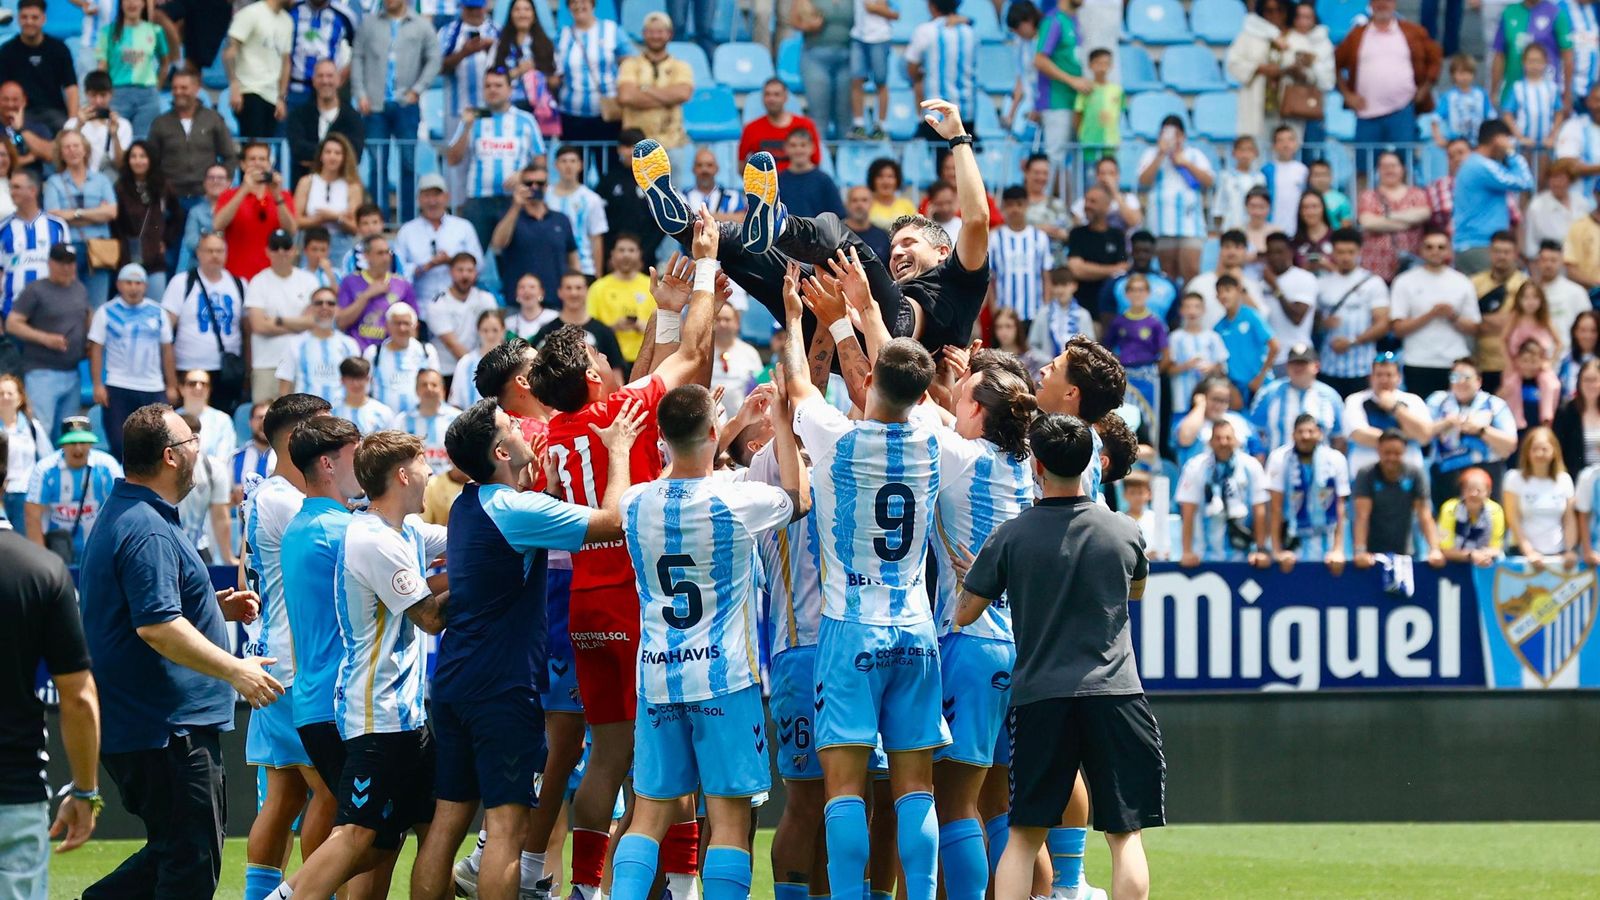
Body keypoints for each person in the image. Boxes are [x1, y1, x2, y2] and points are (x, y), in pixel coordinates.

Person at [529, 209, 719, 900]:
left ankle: (586, 888)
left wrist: (663, 316)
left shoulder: (557, 435)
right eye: (598, 357)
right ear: (588, 375)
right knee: (670, 748)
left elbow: (651, 367)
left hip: (583, 601)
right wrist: (702, 267)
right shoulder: (617, 413)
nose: (609, 360)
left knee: (606, 752)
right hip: (639, 597)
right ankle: (679, 884)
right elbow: (691, 359)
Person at [407, 397, 646, 900]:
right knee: (508, 828)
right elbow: (614, 520)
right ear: (500, 450)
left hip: (453, 681)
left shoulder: (468, 503)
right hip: (502, 688)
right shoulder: (517, 509)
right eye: (509, 426)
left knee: (447, 822)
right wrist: (619, 451)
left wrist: (544, 487)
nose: (520, 427)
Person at [770, 258, 949, 900]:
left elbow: (796, 386)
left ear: (867, 380)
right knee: (914, 788)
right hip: (916, 628)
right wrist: (864, 315)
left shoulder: (837, 439)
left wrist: (799, 318)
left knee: (843, 791)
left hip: (850, 632)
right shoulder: (934, 440)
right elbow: (907, 380)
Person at [608, 381, 806, 900]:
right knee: (729, 819)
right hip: (725, 679)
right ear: (713, 432)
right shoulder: (739, 498)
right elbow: (798, 498)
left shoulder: (634, 503)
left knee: (649, 814)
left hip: (657, 676)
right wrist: (780, 422)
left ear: (659, 437)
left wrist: (619, 452)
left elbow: (654, 483)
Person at [78, 404, 279, 900]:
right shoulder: (145, 527)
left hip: (161, 728)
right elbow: (158, 628)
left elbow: (152, 612)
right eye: (192, 442)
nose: (200, 451)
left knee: (177, 853)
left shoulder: (138, 514)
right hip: (168, 731)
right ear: (170, 456)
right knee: (189, 864)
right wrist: (236, 670)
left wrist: (210, 607)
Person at [633, 96, 990, 358]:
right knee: (761, 261)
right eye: (895, 245)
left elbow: (977, 219)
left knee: (840, 234)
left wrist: (958, 138)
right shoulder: (895, 287)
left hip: (890, 334)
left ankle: (781, 224)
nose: (896, 252)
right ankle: (686, 224)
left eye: (909, 243)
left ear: (944, 251)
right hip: (844, 340)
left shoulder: (961, 280)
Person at [968, 410, 1158, 900]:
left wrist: (982, 577)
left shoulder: (1011, 535)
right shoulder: (1124, 530)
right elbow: (1135, 591)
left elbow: (966, 612)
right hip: (1115, 693)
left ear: (1036, 466)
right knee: (1125, 836)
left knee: (1024, 837)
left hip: (1040, 698)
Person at [262, 430, 446, 900]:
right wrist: (487, 573)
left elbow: (453, 544)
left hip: (376, 708)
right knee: (353, 832)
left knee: (403, 832)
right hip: (364, 710)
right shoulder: (357, 532)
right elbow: (427, 614)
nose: (434, 475)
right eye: (426, 464)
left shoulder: (363, 526)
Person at [0, 424, 101, 898]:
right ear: (6, 480)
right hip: (13, 793)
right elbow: (78, 696)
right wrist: (84, 790)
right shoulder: (41, 571)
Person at [273, 414, 369, 899]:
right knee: (359, 834)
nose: (366, 462)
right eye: (358, 453)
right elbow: (405, 594)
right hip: (341, 705)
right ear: (329, 464)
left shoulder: (306, 525)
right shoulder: (341, 531)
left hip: (320, 701)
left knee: (372, 831)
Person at [350, 0, 440, 221]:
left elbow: (434, 59)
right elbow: (357, 58)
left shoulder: (420, 25)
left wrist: (418, 89)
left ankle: (407, 217)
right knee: (376, 162)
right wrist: (360, 93)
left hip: (406, 105)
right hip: (375, 106)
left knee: (408, 163)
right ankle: (378, 219)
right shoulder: (369, 24)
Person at [1332, 0, 1443, 171]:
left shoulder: (1413, 32)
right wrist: (1347, 95)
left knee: (1405, 165)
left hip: (1403, 110)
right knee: (1364, 167)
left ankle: (1408, 199)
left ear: (1394, 3)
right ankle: (1363, 198)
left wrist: (1425, 88)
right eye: (1377, 1)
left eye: (1387, 0)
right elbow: (1335, 63)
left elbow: (1435, 57)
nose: (1382, 4)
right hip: (1366, 113)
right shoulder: (1357, 35)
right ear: (1370, 4)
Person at [448, 67, 545, 250]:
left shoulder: (526, 120)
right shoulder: (473, 118)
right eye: (488, 86)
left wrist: (523, 175)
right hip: (478, 200)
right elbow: (453, 159)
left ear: (509, 89)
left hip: (514, 200)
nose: (492, 90)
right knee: (471, 258)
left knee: (515, 260)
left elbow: (540, 161)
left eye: (498, 85)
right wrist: (467, 127)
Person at [89, 264, 176, 457]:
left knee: (158, 444)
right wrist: (97, 384)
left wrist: (171, 385)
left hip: (152, 386)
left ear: (145, 286)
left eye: (138, 283)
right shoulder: (106, 312)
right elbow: (95, 348)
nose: (133, 287)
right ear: (119, 284)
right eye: (128, 282)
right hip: (118, 385)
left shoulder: (158, 312)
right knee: (120, 444)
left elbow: (167, 349)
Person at [1389, 228, 1481, 399]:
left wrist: (1452, 316)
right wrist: (1430, 315)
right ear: (1421, 250)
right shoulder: (1404, 281)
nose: (1435, 252)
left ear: (1449, 250)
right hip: (1417, 361)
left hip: (1454, 361)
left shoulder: (1462, 282)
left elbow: (1475, 327)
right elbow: (1398, 328)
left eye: (1441, 247)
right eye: (1429, 247)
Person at [7, 244, 89, 437]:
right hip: (41, 372)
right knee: (40, 428)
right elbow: (12, 323)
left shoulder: (79, 289)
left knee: (68, 432)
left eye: (70, 263)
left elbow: (86, 315)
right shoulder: (35, 290)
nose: (66, 268)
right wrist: (45, 338)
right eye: (61, 263)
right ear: (50, 263)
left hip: (72, 372)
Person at [162, 232, 247, 412]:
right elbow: (165, 334)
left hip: (226, 371)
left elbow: (246, 332)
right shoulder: (181, 282)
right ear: (199, 253)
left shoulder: (239, 284)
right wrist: (170, 380)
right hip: (188, 368)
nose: (214, 255)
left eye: (219, 251)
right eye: (209, 251)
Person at [23, 413, 120, 560]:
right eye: (72, 442)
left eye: (83, 442)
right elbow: (32, 516)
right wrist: (43, 561)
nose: (78, 448)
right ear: (62, 444)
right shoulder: (45, 470)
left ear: (91, 443)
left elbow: (120, 510)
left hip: (97, 551)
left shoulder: (107, 466)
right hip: (57, 552)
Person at [1425, 357, 1519, 504]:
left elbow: (1510, 444)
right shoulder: (1437, 401)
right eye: (1455, 377)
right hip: (1446, 472)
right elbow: (1421, 435)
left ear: (1479, 381)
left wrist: (1482, 431)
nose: (1461, 382)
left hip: (1486, 470)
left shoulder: (1494, 404)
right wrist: (1447, 422)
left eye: (1467, 377)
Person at [1177, 417, 1271, 564]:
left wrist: (1261, 550)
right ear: (1210, 442)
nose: (1223, 442)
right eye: (1218, 438)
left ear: (1236, 440)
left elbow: (1259, 509)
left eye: (1228, 438)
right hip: (1204, 556)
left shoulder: (1251, 466)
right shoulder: (1195, 467)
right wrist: (1187, 551)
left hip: (1244, 557)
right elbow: (1188, 510)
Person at [146, 63, 238, 210]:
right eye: (175, 88)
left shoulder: (213, 119)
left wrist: (220, 184)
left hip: (205, 197)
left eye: (183, 88)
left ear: (196, 89)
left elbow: (229, 157)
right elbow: (151, 161)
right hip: (171, 198)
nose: (178, 92)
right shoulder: (160, 123)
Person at [1265, 412, 1350, 568]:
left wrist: (1338, 550)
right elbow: (1275, 508)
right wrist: (1277, 551)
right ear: (1293, 435)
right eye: (1300, 432)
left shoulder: (1335, 459)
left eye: (1310, 431)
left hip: (1327, 541)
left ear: (1320, 434)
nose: (1305, 436)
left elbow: (1340, 506)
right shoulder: (1279, 458)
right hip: (1292, 540)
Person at [43, 129, 117, 307]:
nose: (72, 150)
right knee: (69, 305)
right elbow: (52, 216)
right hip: (68, 248)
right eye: (66, 147)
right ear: (61, 153)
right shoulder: (54, 181)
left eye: (76, 145)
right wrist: (95, 213)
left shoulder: (102, 180)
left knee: (96, 305)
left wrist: (73, 214)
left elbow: (111, 213)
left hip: (98, 249)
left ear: (85, 150)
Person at [1136, 115, 1214, 282]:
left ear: (1183, 136)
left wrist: (1185, 164)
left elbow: (1208, 181)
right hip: (1162, 223)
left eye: (1176, 134)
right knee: (1167, 273)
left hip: (1190, 223)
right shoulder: (1151, 154)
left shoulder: (1194, 155)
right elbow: (1144, 181)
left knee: (1191, 270)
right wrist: (1161, 155)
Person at [1314, 228, 1391, 397]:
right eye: (1340, 252)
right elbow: (1312, 323)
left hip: (1362, 368)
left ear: (1359, 252)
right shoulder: (1321, 283)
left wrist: (1352, 341)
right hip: (1328, 367)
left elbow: (1383, 324)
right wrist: (1322, 324)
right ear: (1332, 252)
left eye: (1351, 252)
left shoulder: (1373, 283)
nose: (1346, 257)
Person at [1352, 428, 1445, 567]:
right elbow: (1362, 516)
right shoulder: (1366, 474)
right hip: (1371, 555)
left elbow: (1424, 514)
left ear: (1404, 452)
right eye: (1387, 453)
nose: (1392, 458)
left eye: (1397, 453)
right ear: (1378, 450)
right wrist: (1360, 551)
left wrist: (1435, 549)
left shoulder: (1415, 474)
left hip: (1406, 552)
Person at [244, 229, 319, 400]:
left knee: (302, 422)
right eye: (275, 247)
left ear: (294, 250)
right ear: (268, 251)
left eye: (286, 247)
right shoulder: (258, 282)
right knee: (265, 420)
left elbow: (313, 321)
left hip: (302, 363)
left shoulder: (309, 280)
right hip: (267, 363)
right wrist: (298, 325)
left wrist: (278, 320)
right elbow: (258, 326)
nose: (281, 252)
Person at [492, 160, 580, 302]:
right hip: (519, 301)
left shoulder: (561, 219)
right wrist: (516, 206)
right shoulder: (508, 216)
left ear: (546, 186)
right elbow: (498, 244)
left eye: (539, 183)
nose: (534, 187)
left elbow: (573, 258)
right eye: (528, 183)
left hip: (556, 300)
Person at [616, 11, 694, 171]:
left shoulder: (681, 66)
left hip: (672, 144)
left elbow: (683, 94)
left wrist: (645, 90)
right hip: (637, 146)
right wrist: (667, 97)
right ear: (644, 34)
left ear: (669, 34)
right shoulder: (630, 64)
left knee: (671, 194)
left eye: (660, 32)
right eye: (651, 32)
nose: (655, 36)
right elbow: (626, 96)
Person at [1453, 121, 1536, 271]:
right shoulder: (1481, 165)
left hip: (1473, 245)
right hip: (1479, 246)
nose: (1509, 144)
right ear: (1497, 140)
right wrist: (1511, 153)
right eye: (1507, 140)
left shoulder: (1474, 164)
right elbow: (1525, 181)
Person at [1343, 351, 1434, 478]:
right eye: (1379, 375)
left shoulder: (1413, 400)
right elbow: (1360, 435)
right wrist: (1407, 436)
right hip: (1366, 477)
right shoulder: (1355, 400)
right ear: (1371, 377)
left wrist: (1396, 408)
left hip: (1408, 478)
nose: (1383, 380)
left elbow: (1425, 435)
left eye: (1389, 375)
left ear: (1399, 377)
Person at [214, 142, 297, 280]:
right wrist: (243, 190)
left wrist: (277, 196)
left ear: (269, 164)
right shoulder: (228, 195)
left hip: (273, 276)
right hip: (237, 276)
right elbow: (218, 225)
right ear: (242, 164)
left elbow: (291, 230)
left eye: (262, 159)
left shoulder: (284, 195)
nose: (258, 163)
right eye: (252, 159)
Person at [110, 139, 181, 300]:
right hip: (128, 255)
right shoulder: (120, 187)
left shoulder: (163, 185)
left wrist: (167, 240)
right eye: (133, 156)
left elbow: (177, 215)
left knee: (156, 307)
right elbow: (114, 222)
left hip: (155, 258)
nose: (138, 161)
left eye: (142, 156)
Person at [95, 0, 176, 138]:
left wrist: (157, 87)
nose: (132, 3)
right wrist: (103, 94)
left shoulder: (155, 30)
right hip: (117, 95)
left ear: (144, 3)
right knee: (117, 140)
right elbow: (102, 67)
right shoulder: (108, 32)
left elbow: (165, 63)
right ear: (120, 4)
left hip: (148, 97)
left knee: (144, 144)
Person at [554, 0, 627, 147]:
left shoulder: (611, 30)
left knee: (608, 165)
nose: (578, 5)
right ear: (568, 7)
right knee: (574, 166)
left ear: (593, 4)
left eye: (583, 1)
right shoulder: (562, 35)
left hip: (607, 115)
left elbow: (629, 63)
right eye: (573, 2)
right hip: (571, 116)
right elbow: (557, 73)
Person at [0, 0, 80, 134]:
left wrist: (72, 122)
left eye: (34, 17)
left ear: (44, 19)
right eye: (24, 17)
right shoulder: (7, 51)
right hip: (20, 113)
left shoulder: (59, 49)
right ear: (18, 19)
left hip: (54, 113)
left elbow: (71, 87)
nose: (29, 22)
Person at [1, 170, 70, 320]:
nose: (12, 192)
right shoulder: (3, 229)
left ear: (33, 191)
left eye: (17, 187)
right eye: (11, 188)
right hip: (12, 312)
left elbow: (68, 268)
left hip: (50, 311)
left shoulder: (57, 226)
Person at [906, 0, 978, 143]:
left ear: (931, 6)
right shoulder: (970, 32)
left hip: (936, 115)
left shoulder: (925, 30)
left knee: (940, 162)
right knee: (961, 160)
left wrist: (920, 76)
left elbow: (911, 67)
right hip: (966, 112)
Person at [1356, 151, 1433, 282]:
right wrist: (1408, 222)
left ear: (1403, 169)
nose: (1389, 170)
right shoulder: (1368, 195)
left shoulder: (1417, 194)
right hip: (1375, 269)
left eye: (1393, 166)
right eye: (1384, 166)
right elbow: (1368, 223)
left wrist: (1387, 216)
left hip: (1411, 268)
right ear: (1378, 170)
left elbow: (1423, 214)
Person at [284, 58, 365, 180]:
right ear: (314, 81)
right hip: (305, 188)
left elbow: (355, 155)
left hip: (342, 188)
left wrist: (313, 157)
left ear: (338, 80)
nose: (325, 81)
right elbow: (298, 151)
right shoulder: (298, 115)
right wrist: (337, 156)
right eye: (320, 76)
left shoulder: (352, 117)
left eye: (330, 76)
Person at [276, 286, 361, 400]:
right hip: (306, 414)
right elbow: (284, 388)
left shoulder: (350, 344)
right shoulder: (295, 343)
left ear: (337, 308)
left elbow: (358, 382)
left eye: (330, 303)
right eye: (319, 303)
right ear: (311, 308)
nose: (324, 307)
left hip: (340, 415)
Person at [223, 0, 293, 139]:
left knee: (266, 149)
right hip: (250, 90)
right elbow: (230, 51)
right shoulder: (250, 13)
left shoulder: (287, 21)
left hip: (272, 96)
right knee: (253, 148)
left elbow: (286, 62)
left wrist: (281, 97)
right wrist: (234, 85)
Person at [291, 134, 363, 266]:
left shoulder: (353, 187)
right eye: (328, 152)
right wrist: (318, 220)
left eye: (337, 153)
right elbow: (295, 220)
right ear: (321, 155)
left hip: (341, 246)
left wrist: (336, 217)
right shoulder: (307, 182)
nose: (332, 157)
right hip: (312, 243)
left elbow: (355, 226)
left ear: (344, 157)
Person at [336, 233, 415, 351]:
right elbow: (341, 322)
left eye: (387, 252)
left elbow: (413, 326)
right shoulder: (350, 282)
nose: (385, 258)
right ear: (366, 256)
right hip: (358, 353)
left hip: (390, 353)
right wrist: (367, 295)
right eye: (380, 253)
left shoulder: (403, 285)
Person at [1065, 184, 1129, 329]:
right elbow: (1076, 269)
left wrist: (1089, 269)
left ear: (1106, 206)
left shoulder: (1117, 235)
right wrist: (1111, 269)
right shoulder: (1077, 234)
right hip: (1082, 311)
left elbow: (1123, 270)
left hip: (1110, 312)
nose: (1087, 205)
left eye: (1093, 202)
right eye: (1086, 201)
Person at [586, 234, 655, 364]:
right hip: (607, 359)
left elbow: (665, 324)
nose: (626, 255)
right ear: (612, 254)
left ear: (639, 254)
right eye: (621, 250)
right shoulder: (598, 288)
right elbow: (590, 327)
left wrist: (645, 327)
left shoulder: (652, 285)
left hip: (645, 359)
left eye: (631, 250)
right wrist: (612, 328)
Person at [545, 146, 610, 282]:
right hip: (551, 266)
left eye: (573, 161)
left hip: (584, 267)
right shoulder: (546, 196)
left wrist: (597, 275)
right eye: (564, 161)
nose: (568, 166)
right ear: (556, 165)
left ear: (580, 165)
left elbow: (596, 238)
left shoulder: (591, 199)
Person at [364, 302, 439, 414]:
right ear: (387, 325)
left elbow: (436, 388)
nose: (402, 328)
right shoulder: (373, 353)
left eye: (406, 323)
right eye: (397, 323)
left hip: (418, 422)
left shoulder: (427, 351)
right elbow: (364, 390)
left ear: (415, 326)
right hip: (383, 424)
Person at [1258, 232, 1319, 368]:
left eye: (1280, 252)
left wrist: (1275, 287)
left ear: (1290, 253)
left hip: (1296, 356)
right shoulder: (1260, 282)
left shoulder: (1304, 278)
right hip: (1267, 358)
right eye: (1271, 253)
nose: (1275, 257)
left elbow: (1297, 317)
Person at [1215, 274, 1278, 404]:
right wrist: (1230, 387)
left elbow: (1275, 346)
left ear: (1238, 291)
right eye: (1220, 292)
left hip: (1261, 385)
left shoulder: (1251, 316)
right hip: (1238, 389)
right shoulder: (1218, 327)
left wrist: (1260, 378)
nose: (1224, 295)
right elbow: (1219, 362)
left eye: (1227, 290)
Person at [284, 0, 355, 112]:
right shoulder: (292, 10)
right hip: (295, 89)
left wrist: (344, 74)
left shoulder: (344, 15)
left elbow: (360, 50)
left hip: (327, 90)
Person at [738, 78, 823, 170]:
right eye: (767, 94)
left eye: (776, 94)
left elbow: (815, 160)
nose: (771, 99)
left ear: (785, 97)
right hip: (765, 183)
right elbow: (742, 164)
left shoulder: (806, 125)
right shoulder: (751, 129)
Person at [0, 376, 50, 526]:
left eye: (10, 393)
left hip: (26, 495)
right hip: (0, 496)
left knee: (23, 544)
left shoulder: (32, 427)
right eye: (1, 393)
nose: (5, 397)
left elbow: (48, 458)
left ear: (20, 398)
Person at [393, 367, 461, 476]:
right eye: (424, 385)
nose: (429, 388)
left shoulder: (457, 418)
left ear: (443, 390)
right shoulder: (402, 421)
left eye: (434, 385)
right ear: (416, 390)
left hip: (449, 484)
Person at [62, 70, 131, 176]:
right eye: (93, 95)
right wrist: (79, 125)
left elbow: (121, 165)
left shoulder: (123, 125)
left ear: (111, 94)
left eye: (103, 95)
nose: (98, 101)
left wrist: (115, 135)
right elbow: (64, 158)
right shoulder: (71, 124)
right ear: (86, 94)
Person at [1437, 466, 1507, 565]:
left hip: (1486, 562)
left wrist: (1481, 556)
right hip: (1454, 563)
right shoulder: (1449, 509)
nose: (1474, 494)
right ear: (1462, 491)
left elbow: (1496, 548)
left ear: (1488, 492)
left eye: (1479, 490)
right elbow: (1445, 549)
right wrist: (1471, 555)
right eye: (1469, 489)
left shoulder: (1496, 511)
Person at [1525, 160, 1594, 259]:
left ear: (1570, 181)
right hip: (1549, 264)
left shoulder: (1582, 203)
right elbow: (1530, 246)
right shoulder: (1536, 205)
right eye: (1553, 178)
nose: (1556, 183)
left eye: (1561, 178)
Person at [776, 128, 845, 220]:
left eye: (803, 145)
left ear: (812, 148)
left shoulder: (824, 181)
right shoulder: (778, 181)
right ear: (786, 148)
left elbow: (837, 216)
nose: (798, 150)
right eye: (793, 145)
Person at [710, 301, 764, 416]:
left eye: (727, 319)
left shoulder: (750, 353)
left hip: (741, 421)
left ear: (737, 323)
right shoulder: (702, 352)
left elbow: (759, 387)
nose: (722, 324)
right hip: (709, 422)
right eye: (718, 319)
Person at [174, 369, 236, 466]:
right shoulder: (171, 419)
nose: (198, 387)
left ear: (209, 390)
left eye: (204, 384)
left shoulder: (223, 420)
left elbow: (224, 459)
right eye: (192, 383)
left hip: (211, 476)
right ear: (181, 389)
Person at [447, 308, 506, 408]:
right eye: (485, 330)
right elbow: (455, 402)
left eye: (495, 330)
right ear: (478, 331)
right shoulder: (465, 362)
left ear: (503, 331)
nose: (490, 335)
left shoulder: (513, 362)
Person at [177, 166, 232, 273]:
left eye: (220, 178)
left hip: (231, 265)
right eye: (211, 178)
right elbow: (190, 241)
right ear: (204, 183)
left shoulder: (237, 209)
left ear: (228, 183)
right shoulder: (196, 212)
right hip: (200, 266)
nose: (215, 181)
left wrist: (206, 236)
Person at [332, 356, 395, 432]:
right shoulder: (332, 413)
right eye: (350, 378)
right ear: (342, 380)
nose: (355, 384)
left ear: (368, 379)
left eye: (359, 378)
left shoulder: (383, 412)